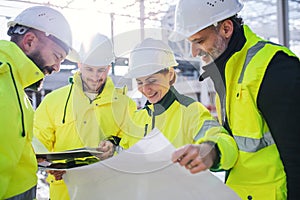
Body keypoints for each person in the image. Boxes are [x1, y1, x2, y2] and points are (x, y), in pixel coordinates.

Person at [170, 0, 300, 199]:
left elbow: (296, 157)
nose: (194, 53)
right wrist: (210, 152)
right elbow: (237, 143)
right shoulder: (227, 71)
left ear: (226, 28)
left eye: (199, 41)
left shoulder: (274, 68)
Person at [33, 33, 137, 200]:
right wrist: (49, 164)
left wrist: (114, 147)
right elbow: (38, 142)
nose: (95, 77)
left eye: (101, 70)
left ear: (108, 68)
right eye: (89, 69)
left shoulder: (125, 105)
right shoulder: (53, 101)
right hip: (64, 191)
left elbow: (135, 149)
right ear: (80, 65)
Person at [120, 38, 238, 175]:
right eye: (140, 83)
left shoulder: (191, 111)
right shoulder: (138, 117)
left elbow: (225, 143)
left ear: (170, 75)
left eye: (152, 81)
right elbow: (123, 153)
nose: (146, 90)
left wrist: (210, 152)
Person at [0, 6, 74, 200]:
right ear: (30, 41)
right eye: (57, 56)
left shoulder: (17, 89)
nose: (57, 68)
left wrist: (31, 156)